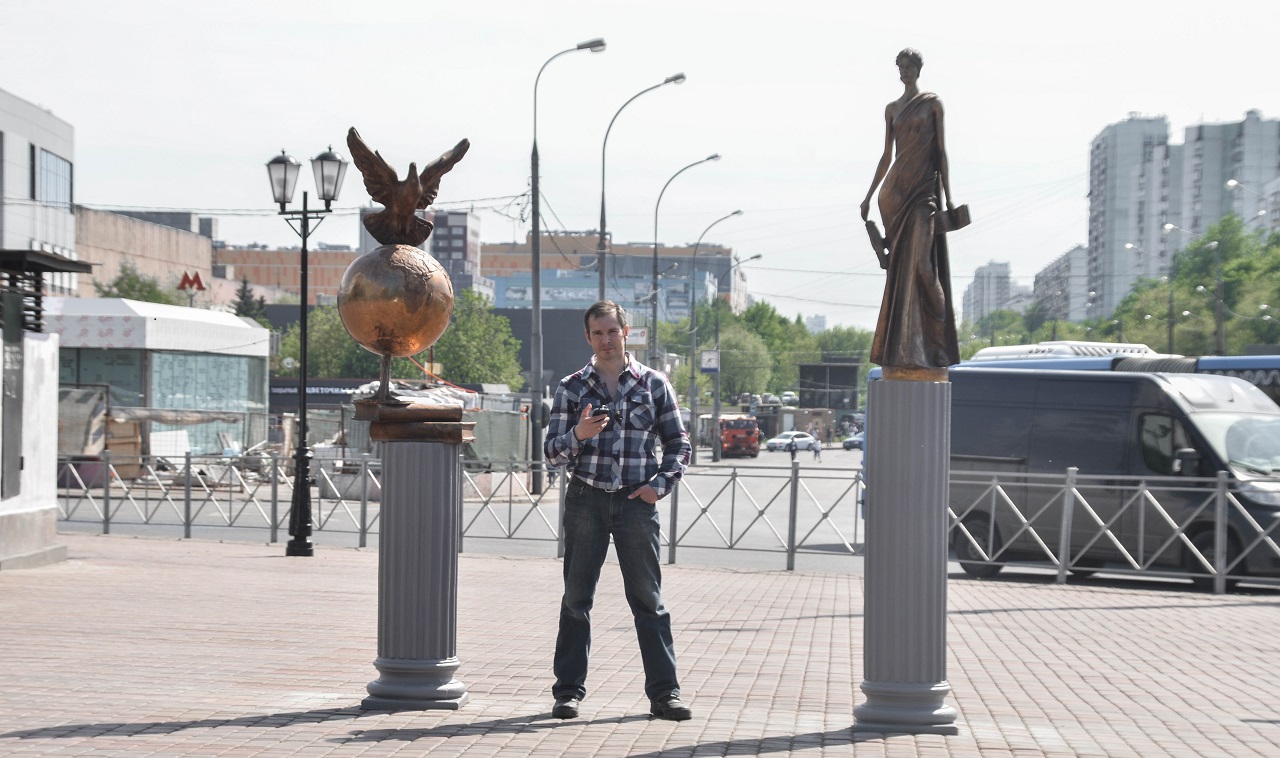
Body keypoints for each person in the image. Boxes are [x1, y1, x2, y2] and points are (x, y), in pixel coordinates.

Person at [544, 300, 693, 722]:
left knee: (649, 600)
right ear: (588, 337)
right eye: (598, 333)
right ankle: (567, 693)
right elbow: (551, 453)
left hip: (635, 503)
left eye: (612, 331)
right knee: (576, 599)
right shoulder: (572, 387)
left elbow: (679, 444)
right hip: (586, 499)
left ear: (626, 332)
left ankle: (665, 695)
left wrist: (657, 487)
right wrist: (578, 433)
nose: (606, 340)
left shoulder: (654, 384)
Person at [860, 47, 962, 371]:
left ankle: (938, 343)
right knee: (899, 269)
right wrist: (869, 195)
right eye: (900, 67)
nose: (904, 71)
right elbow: (886, 156)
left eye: (908, 66)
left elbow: (941, 152)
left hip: (923, 194)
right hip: (895, 194)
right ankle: (904, 348)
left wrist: (949, 198)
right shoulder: (892, 109)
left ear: (918, 69)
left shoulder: (932, 103)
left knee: (923, 267)